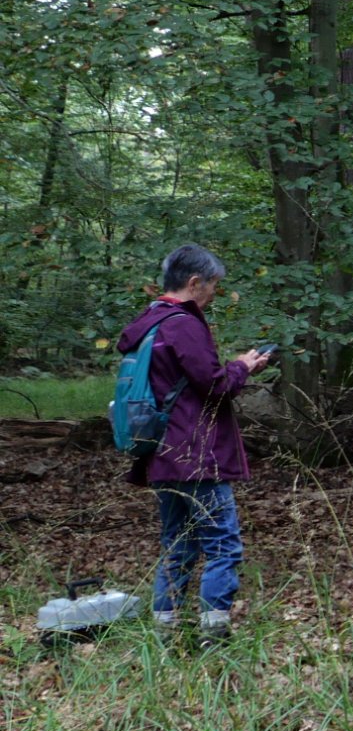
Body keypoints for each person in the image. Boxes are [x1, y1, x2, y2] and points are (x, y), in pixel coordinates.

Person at [117, 245, 273, 644]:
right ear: (193, 282)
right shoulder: (183, 324)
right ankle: (214, 633)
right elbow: (215, 387)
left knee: (178, 543)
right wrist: (242, 366)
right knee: (222, 544)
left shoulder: (150, 321)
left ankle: (164, 632)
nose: (214, 293)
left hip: (159, 453)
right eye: (213, 285)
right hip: (196, 454)